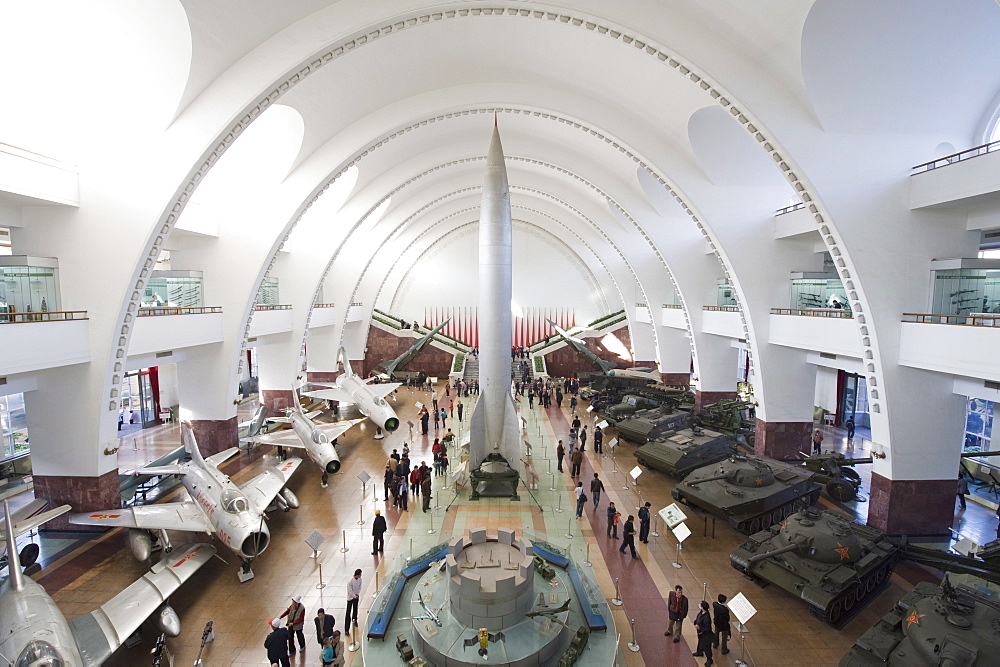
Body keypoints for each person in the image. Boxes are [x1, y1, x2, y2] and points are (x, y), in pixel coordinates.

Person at [693, 600, 714, 665]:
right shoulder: (701, 612)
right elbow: (698, 618)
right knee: (700, 643)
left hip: (705, 635)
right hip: (700, 633)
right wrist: (696, 622)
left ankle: (709, 660)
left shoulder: (707, 617)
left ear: (703, 608)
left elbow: (707, 628)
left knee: (707, 648)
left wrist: (700, 628)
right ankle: (699, 652)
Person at [345, 569, 362, 635]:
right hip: (350, 598)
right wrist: (354, 595)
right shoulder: (350, 582)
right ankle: (346, 629)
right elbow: (350, 591)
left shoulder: (360, 579)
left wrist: (357, 593)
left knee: (355, 609)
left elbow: (360, 586)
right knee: (348, 612)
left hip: (356, 596)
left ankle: (355, 620)